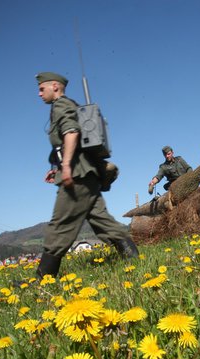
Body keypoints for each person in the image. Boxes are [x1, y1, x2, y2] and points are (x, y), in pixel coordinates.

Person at [35, 72, 138, 279]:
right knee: (102, 221)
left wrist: (65, 167)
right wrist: (57, 167)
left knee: (60, 224)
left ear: (55, 86)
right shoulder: (68, 105)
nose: (39, 94)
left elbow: (71, 132)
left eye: (41, 88)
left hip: (77, 175)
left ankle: (43, 279)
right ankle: (133, 260)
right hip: (86, 174)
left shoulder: (61, 105)